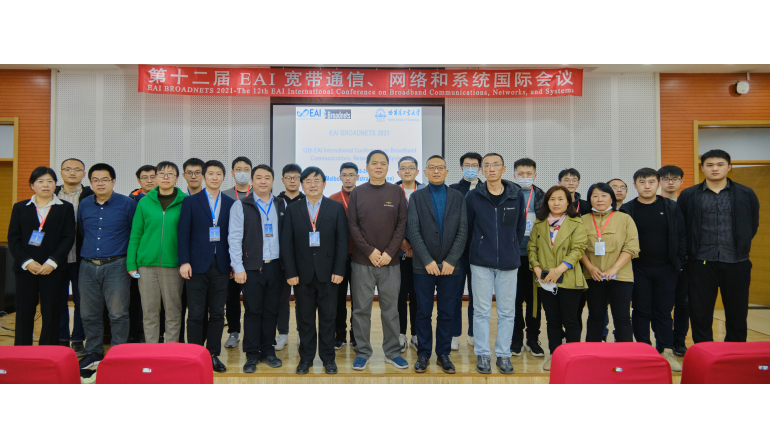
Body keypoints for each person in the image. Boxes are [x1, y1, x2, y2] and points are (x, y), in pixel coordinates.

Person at [678, 150, 759, 344]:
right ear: (702, 168)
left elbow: (752, 224)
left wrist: (741, 244)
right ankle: (704, 351)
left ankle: (735, 351)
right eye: (710, 165)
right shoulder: (689, 195)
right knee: (700, 312)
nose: (715, 168)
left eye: (720, 164)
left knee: (737, 312)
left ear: (729, 167)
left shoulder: (746, 193)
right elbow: (682, 227)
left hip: (736, 261)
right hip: (700, 262)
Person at [282, 167, 348, 375]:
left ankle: (328, 359)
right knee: (305, 319)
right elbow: (286, 243)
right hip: (302, 275)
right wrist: (290, 272)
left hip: (329, 274)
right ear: (302, 185)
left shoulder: (336, 207)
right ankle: (306, 359)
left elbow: (342, 241)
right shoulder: (293, 209)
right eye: (308, 181)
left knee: (328, 318)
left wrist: (339, 269)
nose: (312, 185)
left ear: (324, 184)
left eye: (317, 180)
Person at [347, 150, 408, 371]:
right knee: (360, 310)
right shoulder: (357, 192)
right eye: (374, 163)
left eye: (383, 163)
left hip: (390, 263)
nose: (379, 166)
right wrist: (370, 251)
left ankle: (392, 352)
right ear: (367, 167)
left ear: (388, 167)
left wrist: (390, 252)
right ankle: (363, 352)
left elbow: (402, 224)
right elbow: (352, 225)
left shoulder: (397, 191)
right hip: (362, 262)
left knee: (390, 310)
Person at [466, 153, 526, 374]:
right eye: (487, 165)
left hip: (509, 263)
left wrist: (510, 246)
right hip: (481, 262)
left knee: (507, 312)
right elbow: (469, 227)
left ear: (503, 168)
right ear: (482, 170)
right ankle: (483, 353)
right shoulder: (473, 196)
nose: (491, 169)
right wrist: (479, 247)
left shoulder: (515, 195)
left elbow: (519, 228)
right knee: (481, 311)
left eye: (495, 165)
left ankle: (503, 354)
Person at [407, 155, 467, 374]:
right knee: (423, 312)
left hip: (451, 267)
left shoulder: (458, 197)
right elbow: (413, 231)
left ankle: (443, 353)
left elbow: (463, 230)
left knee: (447, 312)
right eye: (431, 168)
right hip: (423, 266)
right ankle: (423, 353)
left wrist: (451, 260)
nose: (436, 171)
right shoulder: (416, 197)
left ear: (447, 172)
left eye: (440, 168)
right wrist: (427, 261)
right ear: (425, 172)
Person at [620, 168, 685, 372]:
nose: (646, 186)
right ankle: (644, 350)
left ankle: (666, 350)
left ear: (658, 184)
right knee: (641, 310)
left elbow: (682, 236)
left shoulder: (672, 207)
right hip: (637, 269)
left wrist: (680, 261)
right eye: (642, 182)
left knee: (663, 311)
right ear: (635, 185)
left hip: (667, 268)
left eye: (651, 182)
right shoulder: (627, 210)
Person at [77, 163, 136, 369]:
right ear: (90, 182)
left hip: (116, 265)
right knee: (88, 314)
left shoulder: (127, 204)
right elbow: (83, 231)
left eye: (104, 179)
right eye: (95, 180)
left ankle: (118, 353)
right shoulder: (84, 204)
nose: (100, 183)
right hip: (87, 266)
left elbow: (134, 233)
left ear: (113, 181)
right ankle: (93, 352)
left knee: (118, 313)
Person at [8, 167, 76, 346]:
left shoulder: (65, 208)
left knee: (52, 312)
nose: (45, 185)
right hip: (25, 269)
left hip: (52, 269)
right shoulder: (20, 207)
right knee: (24, 311)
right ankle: (21, 351)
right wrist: (27, 262)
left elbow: (68, 238)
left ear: (55, 185)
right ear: (32, 185)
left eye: (50, 181)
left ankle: (47, 351)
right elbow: (13, 238)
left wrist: (52, 262)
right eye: (40, 181)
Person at [178, 160, 235, 373]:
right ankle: (193, 355)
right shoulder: (191, 202)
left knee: (218, 313)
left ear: (223, 177)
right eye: (210, 173)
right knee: (195, 313)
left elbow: (233, 236)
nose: (214, 177)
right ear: (204, 176)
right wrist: (184, 261)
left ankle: (212, 354)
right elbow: (183, 234)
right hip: (196, 266)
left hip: (221, 265)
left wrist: (233, 263)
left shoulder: (230, 203)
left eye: (218, 174)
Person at [229, 164, 286, 373]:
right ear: (252, 181)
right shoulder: (241, 205)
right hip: (252, 268)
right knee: (253, 312)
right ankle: (252, 354)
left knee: (271, 311)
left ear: (273, 181)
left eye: (267, 177)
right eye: (259, 177)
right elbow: (234, 239)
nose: (263, 181)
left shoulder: (281, 204)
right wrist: (238, 267)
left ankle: (268, 350)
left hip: (276, 267)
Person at [527, 186, 587, 371]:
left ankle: (574, 358)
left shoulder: (577, 222)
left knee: (570, 321)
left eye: (560, 199)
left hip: (568, 278)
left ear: (568, 202)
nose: (556, 203)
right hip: (545, 280)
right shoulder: (539, 223)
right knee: (552, 320)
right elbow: (531, 248)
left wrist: (559, 270)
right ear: (547, 202)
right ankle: (555, 356)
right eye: (552, 199)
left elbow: (578, 249)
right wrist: (537, 268)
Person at [127, 161, 187, 344]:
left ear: (177, 178)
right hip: (146, 265)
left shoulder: (186, 202)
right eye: (161, 174)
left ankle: (171, 351)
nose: (165, 177)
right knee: (150, 312)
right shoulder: (144, 202)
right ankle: (151, 351)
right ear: (156, 178)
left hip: (174, 265)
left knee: (173, 311)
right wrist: (131, 263)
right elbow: (136, 234)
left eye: (170, 174)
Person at [580, 183, 640, 344]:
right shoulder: (582, 220)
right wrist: (590, 267)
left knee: (622, 317)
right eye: (595, 196)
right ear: (589, 199)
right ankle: (593, 353)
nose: (599, 199)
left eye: (604, 195)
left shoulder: (625, 218)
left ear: (611, 198)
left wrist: (614, 269)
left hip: (620, 276)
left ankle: (624, 353)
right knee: (595, 316)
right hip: (593, 276)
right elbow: (578, 248)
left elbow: (632, 247)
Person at [55, 158, 93, 357]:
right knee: (58, 300)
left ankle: (78, 339)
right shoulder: (51, 194)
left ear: (83, 174)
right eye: (67, 169)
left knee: (82, 302)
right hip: (56, 258)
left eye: (77, 169)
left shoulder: (91, 195)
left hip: (81, 257)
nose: (72, 172)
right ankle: (61, 339)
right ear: (61, 172)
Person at [511, 158, 545, 358]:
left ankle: (532, 339)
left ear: (535, 175)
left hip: (535, 258)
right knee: (514, 300)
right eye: (521, 174)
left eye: (529, 174)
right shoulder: (508, 194)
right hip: (513, 255)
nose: (525, 177)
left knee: (534, 301)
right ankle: (516, 338)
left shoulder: (542, 195)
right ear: (514, 175)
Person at [449, 152, 482, 349]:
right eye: (467, 165)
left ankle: (474, 333)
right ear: (461, 168)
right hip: (457, 252)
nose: (471, 168)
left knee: (477, 296)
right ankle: (454, 334)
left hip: (479, 251)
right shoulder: (452, 189)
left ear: (480, 168)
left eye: (474, 165)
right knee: (454, 295)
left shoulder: (486, 189)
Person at [395, 156, 426, 353]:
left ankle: (416, 334)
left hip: (420, 254)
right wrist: (403, 244)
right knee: (399, 296)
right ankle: (400, 334)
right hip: (397, 254)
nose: (407, 171)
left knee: (417, 296)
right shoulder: (391, 191)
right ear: (398, 172)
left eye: (411, 167)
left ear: (417, 171)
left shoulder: (425, 191)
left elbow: (429, 222)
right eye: (403, 168)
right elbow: (387, 222)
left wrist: (416, 245)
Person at [222, 156, 253, 349]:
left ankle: (252, 334)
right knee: (231, 297)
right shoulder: (224, 196)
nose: (242, 172)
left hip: (253, 256)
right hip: (230, 256)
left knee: (252, 299)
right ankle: (233, 331)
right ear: (232, 173)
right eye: (238, 169)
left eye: (246, 169)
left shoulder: (259, 195)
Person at [275, 163, 306, 351]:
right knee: (282, 298)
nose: (292, 181)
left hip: (303, 257)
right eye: (289, 178)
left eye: (296, 178)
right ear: (283, 180)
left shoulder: (307, 200)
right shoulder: (276, 201)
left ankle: (302, 332)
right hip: (281, 258)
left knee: (303, 298)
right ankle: (283, 334)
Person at [659, 164, 689, 355]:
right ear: (659, 182)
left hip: (686, 261)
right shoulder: (654, 203)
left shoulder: (687, 204)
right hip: (662, 263)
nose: (670, 182)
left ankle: (679, 340)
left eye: (674, 179)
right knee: (662, 305)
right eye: (666, 179)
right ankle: (664, 341)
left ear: (681, 181)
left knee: (684, 303)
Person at [329, 162, 359, 349]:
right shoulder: (332, 200)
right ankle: (339, 334)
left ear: (357, 177)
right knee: (338, 299)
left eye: (351, 175)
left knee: (359, 299)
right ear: (339, 177)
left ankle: (356, 335)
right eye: (344, 175)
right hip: (338, 258)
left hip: (359, 257)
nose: (348, 178)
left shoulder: (364, 197)